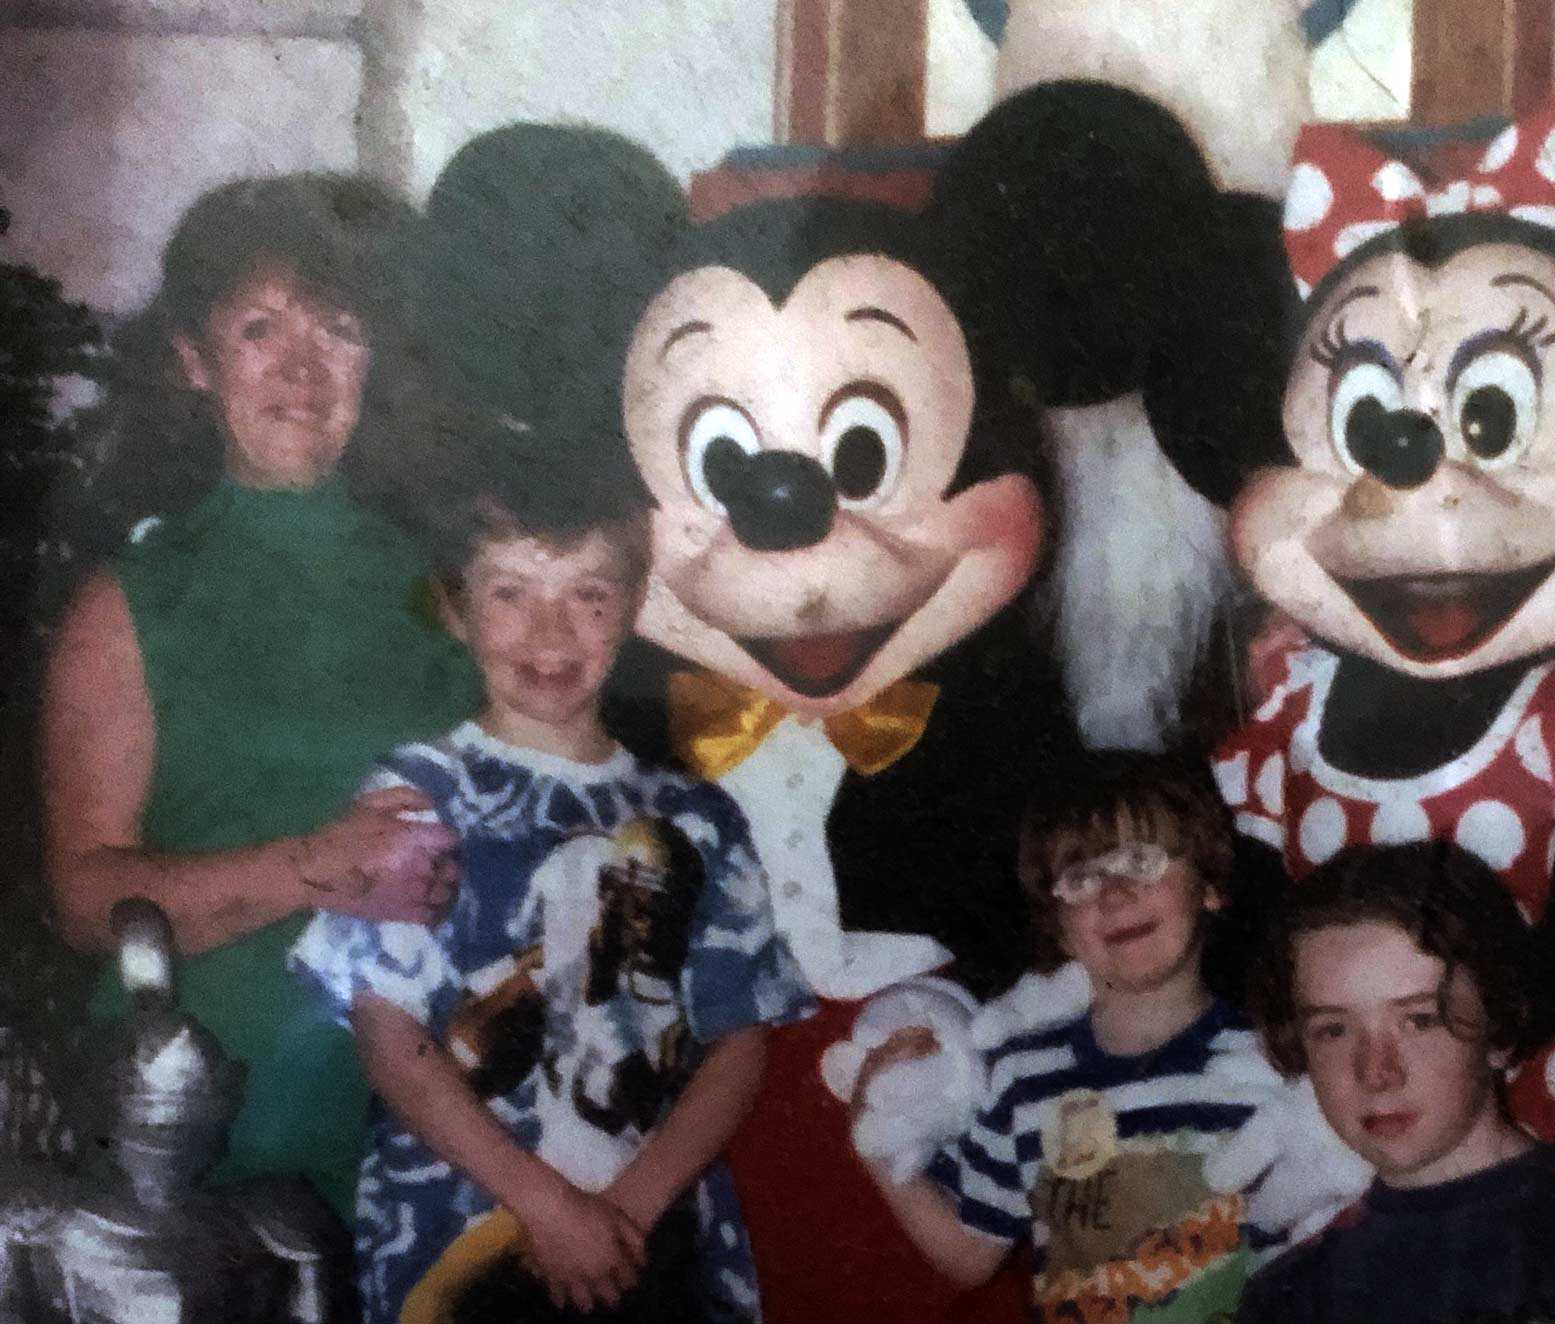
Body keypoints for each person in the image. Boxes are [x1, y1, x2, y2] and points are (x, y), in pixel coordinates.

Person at [41, 174, 481, 1218]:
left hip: (430, 1120)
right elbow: (81, 896)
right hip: (206, 1116)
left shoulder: (455, 586)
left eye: (338, 329)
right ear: (193, 362)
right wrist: (309, 867)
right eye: (257, 329)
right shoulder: (131, 601)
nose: (302, 368)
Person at [290, 470, 807, 1323]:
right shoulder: (416, 796)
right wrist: (553, 1208)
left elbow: (737, 1046)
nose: (550, 631)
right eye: (511, 593)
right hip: (455, 1233)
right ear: (456, 611)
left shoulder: (697, 815)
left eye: (588, 595)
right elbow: (391, 1043)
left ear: (634, 605)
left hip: (652, 1241)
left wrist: (627, 1214)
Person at [1238, 842, 1555, 1324]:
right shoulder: (1287, 1296)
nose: (1377, 1071)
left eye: (1420, 1020)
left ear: (1497, 1031)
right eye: (1334, 1029)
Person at [854, 751, 1272, 1320]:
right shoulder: (1022, 1077)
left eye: (1140, 861)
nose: (1114, 893)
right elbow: (970, 1255)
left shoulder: (1269, 1063)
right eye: (1081, 878)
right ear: (1061, 928)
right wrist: (875, 1138)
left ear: (1209, 886)